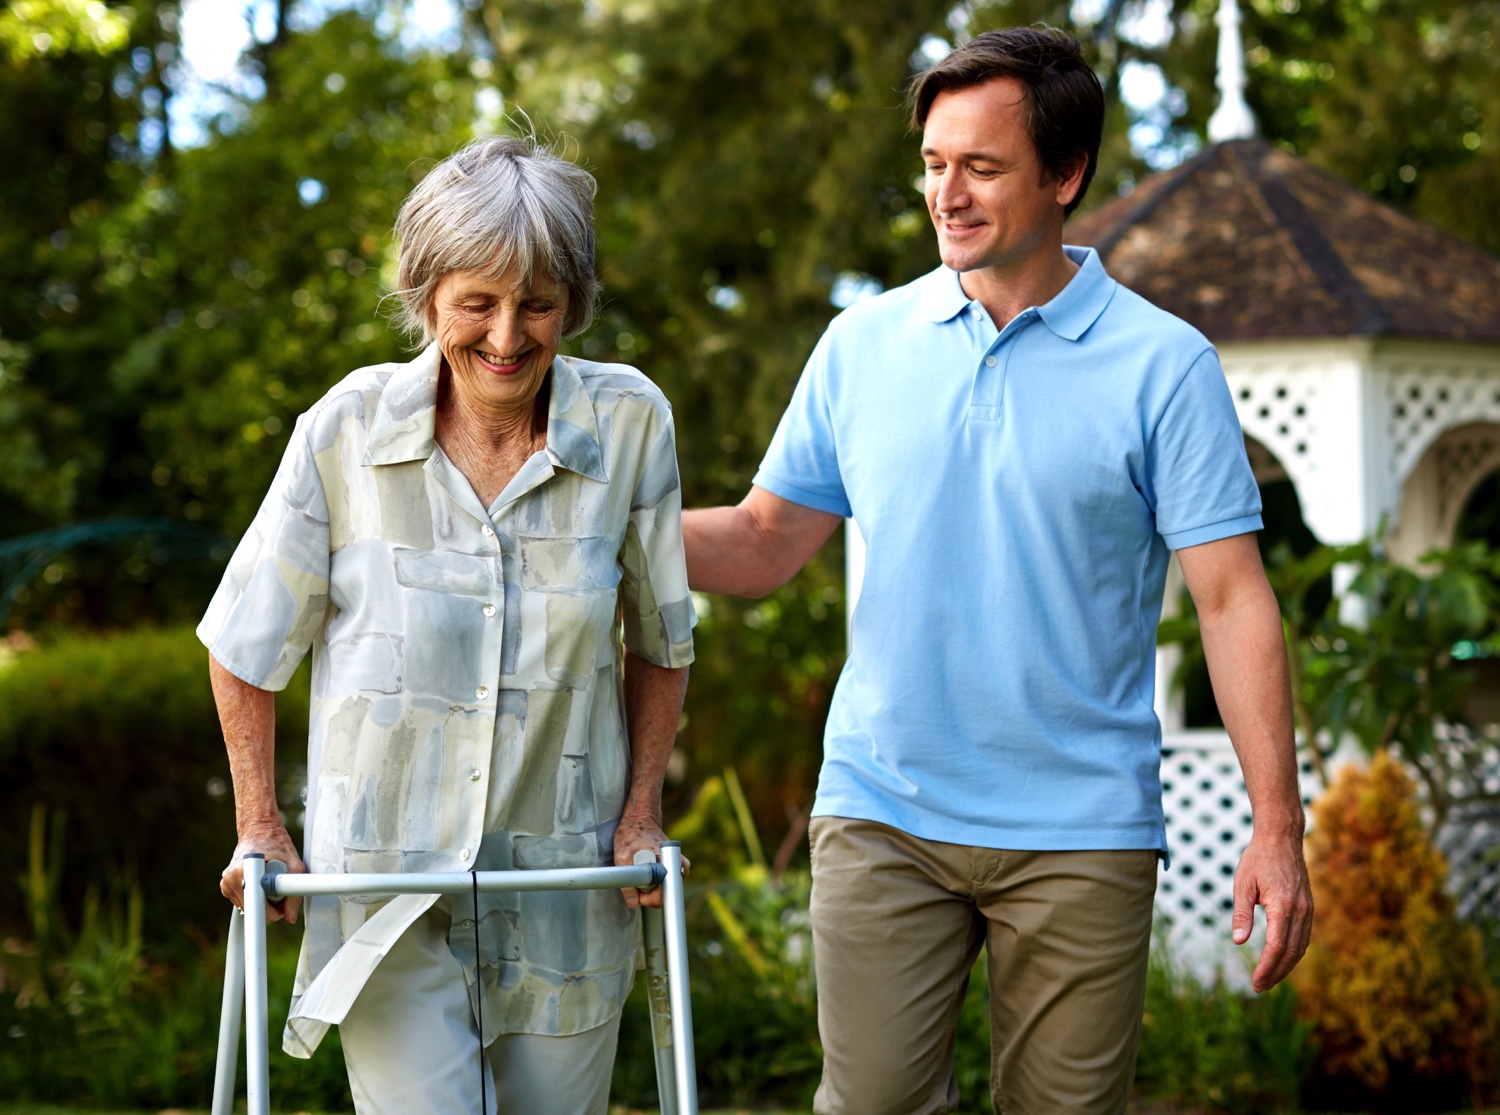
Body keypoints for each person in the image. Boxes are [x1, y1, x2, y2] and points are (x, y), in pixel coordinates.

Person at [683, 26, 1313, 1115]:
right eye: (934, 162)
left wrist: (1278, 826)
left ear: (1065, 176)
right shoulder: (861, 345)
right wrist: (609, 525)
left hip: (1079, 824)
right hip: (885, 805)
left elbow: (1232, 597)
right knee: (869, 1100)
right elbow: (764, 539)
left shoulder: (1165, 366)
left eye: (981, 166)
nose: (947, 192)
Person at [201, 135, 695, 1115]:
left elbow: (662, 639)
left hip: (565, 887)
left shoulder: (630, 424)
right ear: (427, 297)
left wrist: (641, 806)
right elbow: (247, 640)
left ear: (574, 305)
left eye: (539, 303)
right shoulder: (345, 431)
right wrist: (261, 824)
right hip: (382, 895)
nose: (508, 334)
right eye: (478, 301)